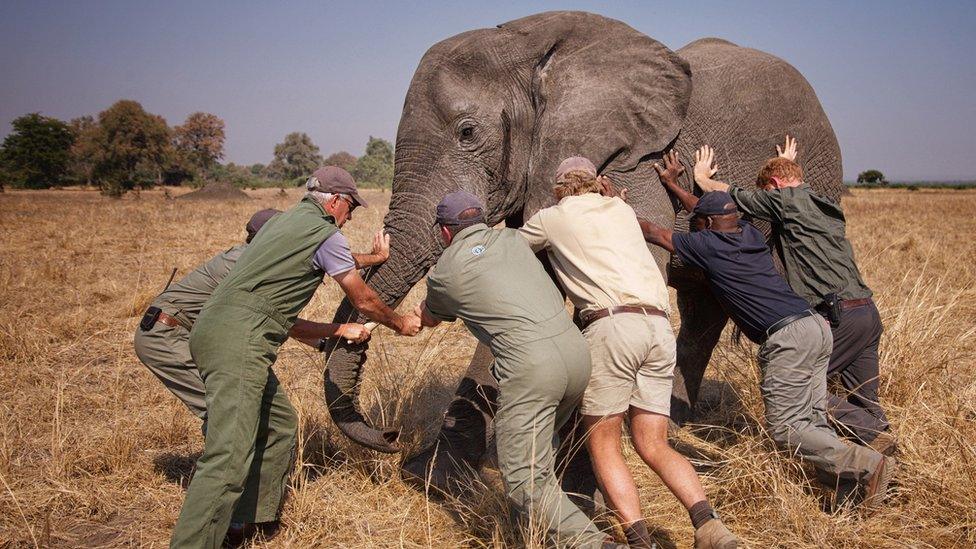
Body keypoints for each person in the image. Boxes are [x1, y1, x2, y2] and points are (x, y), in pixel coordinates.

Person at [169, 166, 422, 549]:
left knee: (280, 424)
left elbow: (338, 257)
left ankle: (248, 523)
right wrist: (399, 322)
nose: (351, 215)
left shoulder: (283, 225)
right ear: (335, 201)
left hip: (214, 328)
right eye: (351, 207)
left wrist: (374, 258)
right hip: (240, 341)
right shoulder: (324, 232)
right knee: (227, 457)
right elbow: (363, 300)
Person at [638, 154, 894, 511]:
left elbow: (654, 232)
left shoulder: (707, 246)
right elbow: (706, 210)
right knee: (811, 417)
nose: (694, 229)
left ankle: (868, 463)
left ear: (708, 225)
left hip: (787, 337)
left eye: (698, 225)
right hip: (815, 326)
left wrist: (610, 206)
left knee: (787, 428)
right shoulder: (748, 235)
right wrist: (676, 187)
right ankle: (848, 490)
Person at [517, 156, 737, 549]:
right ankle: (709, 526)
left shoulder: (554, 216)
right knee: (653, 443)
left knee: (604, 443)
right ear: (595, 182)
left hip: (613, 326)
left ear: (558, 188)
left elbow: (512, 249)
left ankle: (639, 542)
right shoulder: (621, 208)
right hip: (658, 328)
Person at [415, 191, 609, 548]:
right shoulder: (511, 239)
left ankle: (592, 544)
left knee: (522, 476)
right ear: (483, 220)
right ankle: (532, 539)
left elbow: (431, 315)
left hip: (532, 368)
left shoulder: (445, 271)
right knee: (540, 458)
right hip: (576, 354)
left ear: (444, 233)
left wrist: (416, 316)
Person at [692, 137, 894, 454]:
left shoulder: (785, 201)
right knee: (865, 399)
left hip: (839, 315)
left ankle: (868, 439)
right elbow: (792, 187)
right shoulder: (824, 205)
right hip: (867, 314)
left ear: (774, 185)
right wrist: (786, 165)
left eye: (769, 190)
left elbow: (735, 197)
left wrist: (704, 179)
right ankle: (887, 473)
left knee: (801, 388)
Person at [134, 208, 375, 426]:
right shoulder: (242, 267)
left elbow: (277, 318)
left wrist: (374, 259)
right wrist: (339, 330)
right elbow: (284, 321)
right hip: (166, 334)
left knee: (238, 410)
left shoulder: (254, 261)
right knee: (226, 412)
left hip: (185, 332)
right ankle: (221, 472)